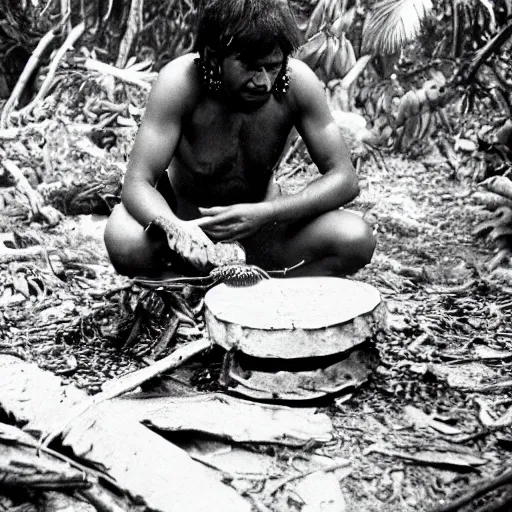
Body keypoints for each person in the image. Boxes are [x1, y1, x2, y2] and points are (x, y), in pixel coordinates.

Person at [104, 0, 376, 279]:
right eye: (251, 67)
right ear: (213, 56)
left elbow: (345, 178)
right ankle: (184, 287)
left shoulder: (297, 83)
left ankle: (265, 289)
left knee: (355, 238)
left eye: (272, 67)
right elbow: (137, 183)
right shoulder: (180, 82)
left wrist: (267, 213)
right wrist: (179, 231)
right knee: (123, 236)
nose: (264, 82)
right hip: (190, 232)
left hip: (265, 233)